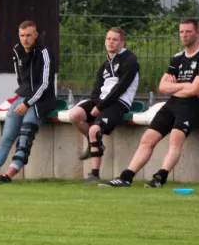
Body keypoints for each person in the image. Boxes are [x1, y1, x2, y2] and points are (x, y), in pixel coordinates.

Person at [102, 19, 199, 188]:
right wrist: (184, 86)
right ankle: (126, 177)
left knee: (175, 138)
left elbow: (194, 91)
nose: (184, 35)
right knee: (147, 138)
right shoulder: (177, 58)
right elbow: (163, 87)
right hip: (172, 104)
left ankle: (160, 176)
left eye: (188, 32)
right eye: (181, 32)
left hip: (192, 105)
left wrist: (175, 87)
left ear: (197, 33)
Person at [0, 20, 56, 183]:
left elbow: (45, 84)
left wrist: (27, 103)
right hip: (23, 97)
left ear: (35, 35)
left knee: (26, 133)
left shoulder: (44, 53)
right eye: (22, 35)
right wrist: (23, 100)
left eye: (28, 35)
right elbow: (21, 79)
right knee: (7, 135)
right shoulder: (17, 51)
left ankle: (9, 173)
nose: (25, 39)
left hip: (41, 100)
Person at [68, 27, 140, 184]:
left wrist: (100, 107)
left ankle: (94, 174)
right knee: (74, 115)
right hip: (102, 100)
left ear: (122, 42)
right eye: (108, 39)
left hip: (119, 102)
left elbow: (120, 88)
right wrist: (96, 102)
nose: (111, 42)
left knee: (95, 129)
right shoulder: (105, 63)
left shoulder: (130, 60)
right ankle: (93, 142)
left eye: (115, 39)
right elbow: (96, 89)